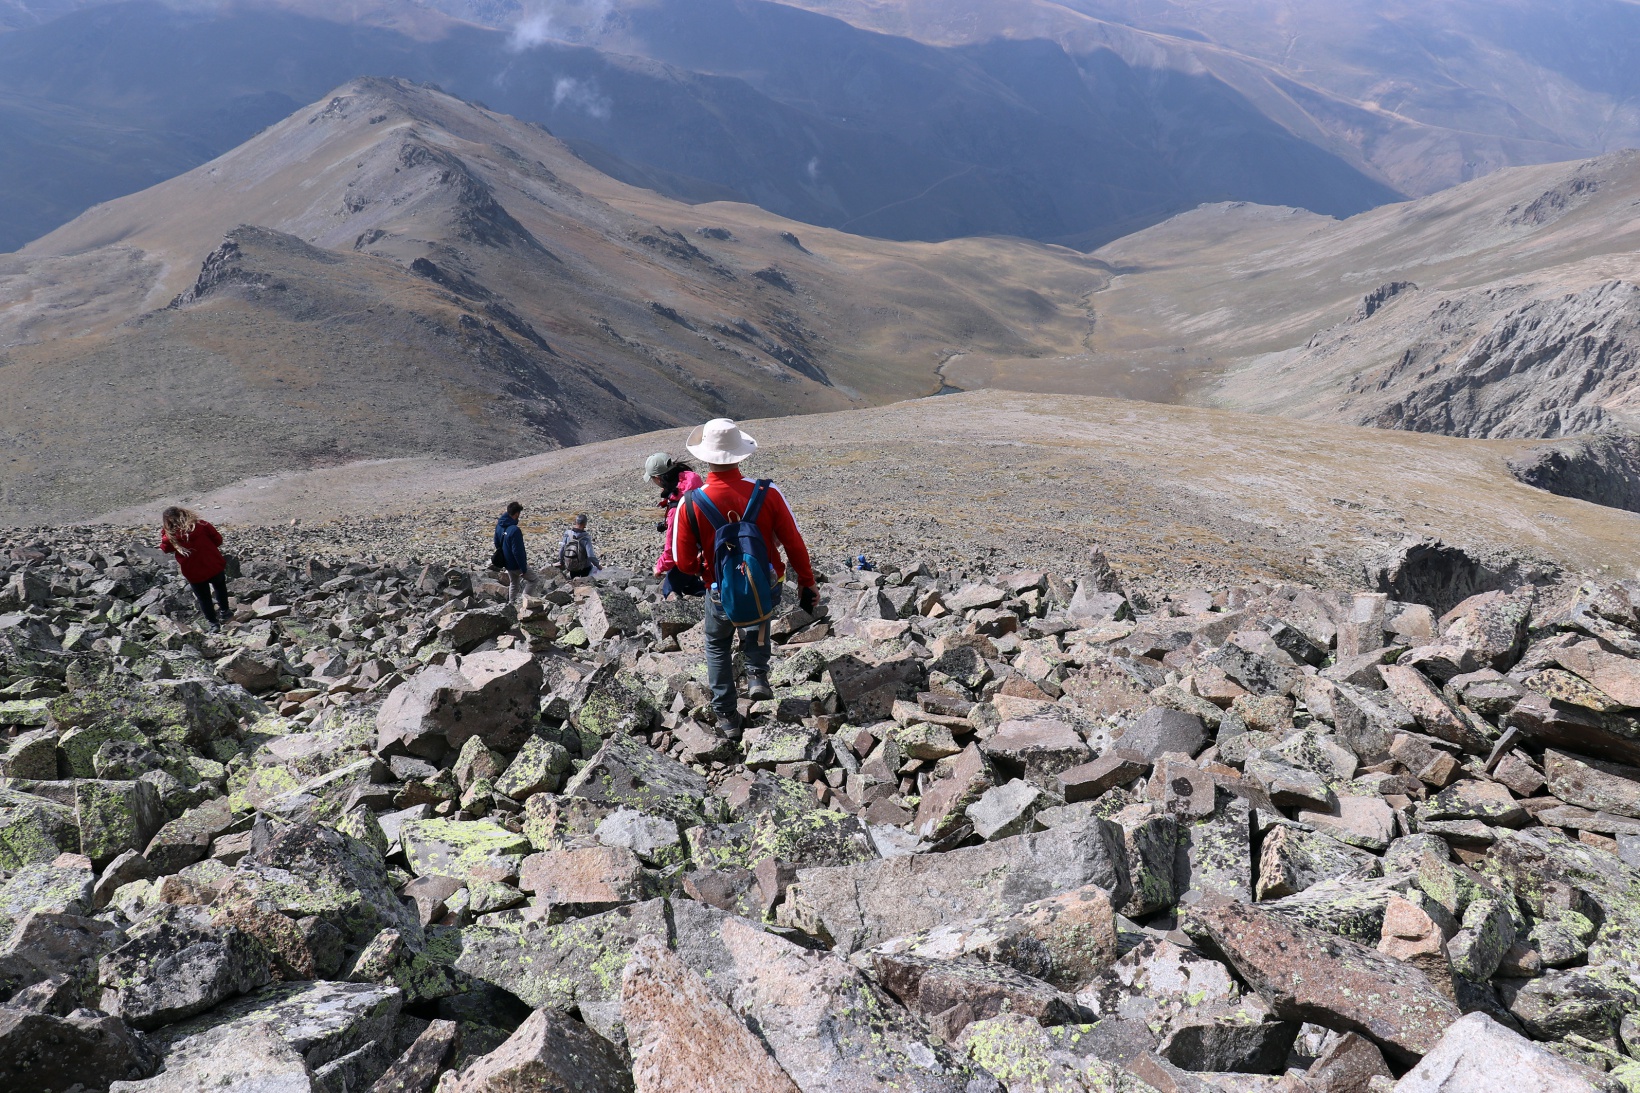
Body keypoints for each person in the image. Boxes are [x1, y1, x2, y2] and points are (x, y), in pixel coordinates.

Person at [670, 418, 818, 730]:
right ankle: (757, 673)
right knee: (758, 608)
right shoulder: (768, 491)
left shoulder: (689, 503)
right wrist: (807, 582)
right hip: (767, 581)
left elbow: (682, 563)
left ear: (705, 456)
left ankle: (726, 716)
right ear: (740, 454)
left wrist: (706, 569)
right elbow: (794, 542)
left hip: (719, 589)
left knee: (716, 642)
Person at [159, 506, 231, 630]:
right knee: (220, 588)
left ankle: (213, 623)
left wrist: (164, 532)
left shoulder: (170, 537)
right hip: (213, 563)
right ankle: (225, 612)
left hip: (193, 571)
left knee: (204, 598)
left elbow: (165, 549)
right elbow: (218, 540)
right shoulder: (202, 525)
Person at [644, 452, 705, 597]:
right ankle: (701, 594)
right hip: (705, 544)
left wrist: (660, 567)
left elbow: (673, 546)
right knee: (690, 583)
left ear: (658, 478)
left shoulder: (676, 507)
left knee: (669, 590)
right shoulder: (693, 479)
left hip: (691, 550)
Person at [494, 502, 537, 603]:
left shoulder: (499, 526)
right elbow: (517, 551)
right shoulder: (515, 530)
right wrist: (523, 568)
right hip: (516, 564)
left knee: (514, 582)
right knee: (534, 580)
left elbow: (496, 542)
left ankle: (511, 603)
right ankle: (524, 601)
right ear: (516, 514)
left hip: (506, 562)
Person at [558, 514, 602, 579]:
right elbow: (590, 556)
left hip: (571, 566)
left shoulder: (567, 533)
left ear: (575, 522)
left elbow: (562, 549)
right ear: (585, 524)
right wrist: (598, 566)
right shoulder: (586, 537)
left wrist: (561, 562)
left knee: (574, 583)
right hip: (584, 568)